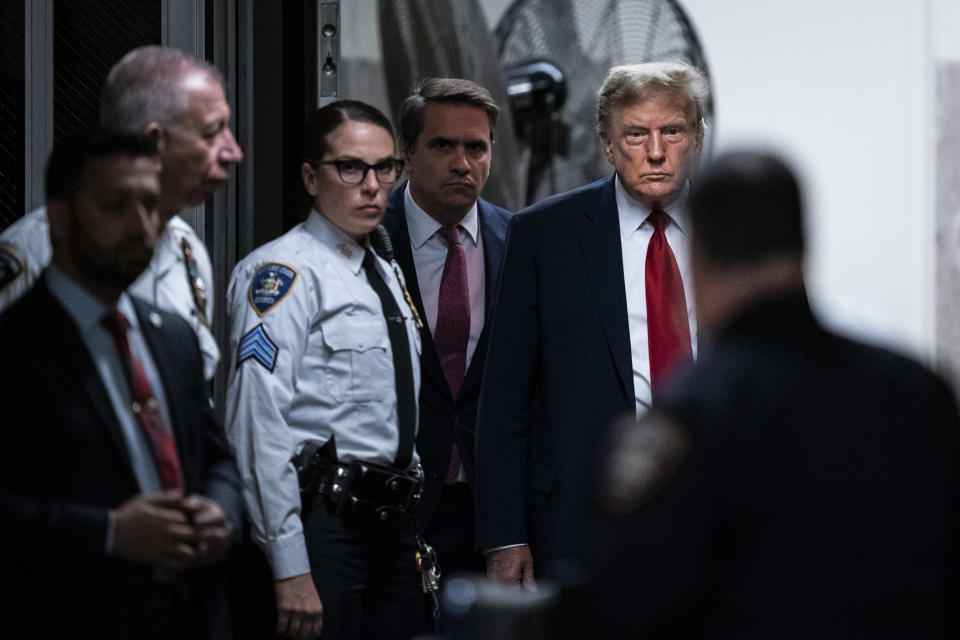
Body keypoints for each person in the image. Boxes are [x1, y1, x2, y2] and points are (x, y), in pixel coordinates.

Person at [572, 149, 960, 638]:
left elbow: (620, 605)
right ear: (803, 248)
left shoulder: (689, 419)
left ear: (699, 257)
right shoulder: (917, 394)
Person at [0, 128, 244, 639]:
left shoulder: (173, 335)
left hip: (191, 614)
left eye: (151, 205)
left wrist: (220, 513)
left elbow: (216, 457)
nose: (141, 225)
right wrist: (110, 534)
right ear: (61, 219)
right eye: (116, 206)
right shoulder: (16, 344)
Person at [474, 61, 707, 584]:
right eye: (634, 134)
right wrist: (504, 535)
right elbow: (504, 397)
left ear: (697, 138)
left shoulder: (728, 232)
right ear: (606, 143)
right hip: (580, 511)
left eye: (672, 131)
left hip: (711, 507)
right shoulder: (544, 235)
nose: (654, 150)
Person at [225, 100, 426, 640]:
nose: (373, 185)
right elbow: (256, 425)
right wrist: (290, 565)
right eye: (351, 167)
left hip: (392, 525)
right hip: (325, 527)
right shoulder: (283, 273)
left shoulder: (381, 271)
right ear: (312, 178)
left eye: (386, 168)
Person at [0, 45, 243, 380]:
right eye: (213, 132)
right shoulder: (35, 251)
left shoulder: (189, 255)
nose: (233, 152)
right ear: (156, 141)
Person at [382, 77, 511, 580]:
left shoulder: (519, 240)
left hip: (486, 510)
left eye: (476, 147)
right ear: (406, 152)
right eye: (442, 146)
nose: (462, 163)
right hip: (391, 505)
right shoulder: (367, 238)